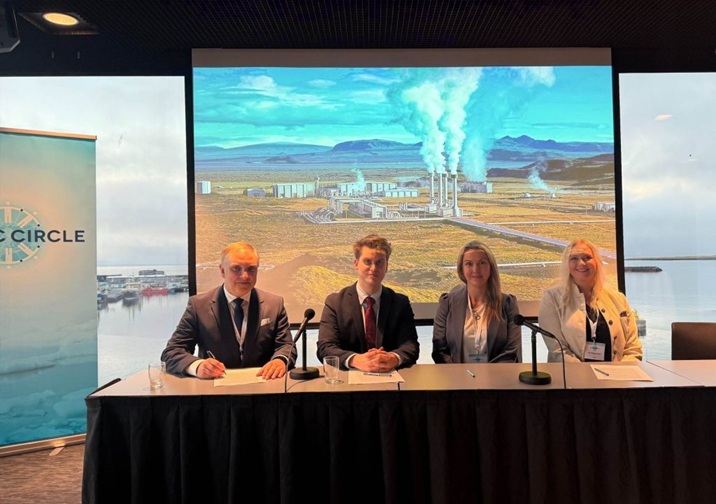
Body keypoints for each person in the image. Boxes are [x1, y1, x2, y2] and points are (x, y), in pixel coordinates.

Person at [161, 241, 296, 379]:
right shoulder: (198, 306)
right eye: (236, 268)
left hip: (264, 385)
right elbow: (172, 352)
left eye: (251, 269)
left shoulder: (275, 304)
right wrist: (198, 366)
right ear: (222, 270)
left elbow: (286, 346)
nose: (245, 276)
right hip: (215, 387)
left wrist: (280, 360)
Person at [317, 234, 419, 372]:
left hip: (391, 378)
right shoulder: (335, 303)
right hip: (348, 379)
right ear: (356, 264)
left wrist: (393, 358)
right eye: (367, 261)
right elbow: (325, 347)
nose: (373, 268)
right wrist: (355, 360)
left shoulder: (400, 303)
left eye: (379, 262)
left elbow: (411, 346)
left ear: (386, 266)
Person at [539, 239, 643, 362]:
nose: (581, 263)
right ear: (566, 264)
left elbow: (633, 349)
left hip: (618, 373)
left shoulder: (619, 299)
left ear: (597, 262)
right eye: (574, 258)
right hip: (572, 373)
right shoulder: (552, 298)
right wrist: (585, 372)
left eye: (587, 257)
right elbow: (558, 350)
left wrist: (620, 372)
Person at [432, 241, 522, 364]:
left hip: (498, 375)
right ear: (461, 269)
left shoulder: (508, 304)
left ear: (491, 267)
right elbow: (440, 351)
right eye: (469, 264)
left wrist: (488, 374)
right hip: (455, 375)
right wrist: (457, 373)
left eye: (482, 263)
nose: (476, 269)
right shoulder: (447, 303)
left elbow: (511, 351)